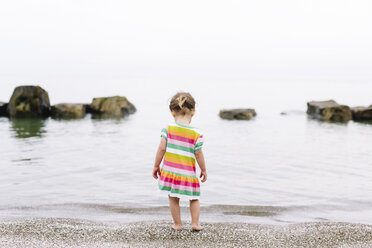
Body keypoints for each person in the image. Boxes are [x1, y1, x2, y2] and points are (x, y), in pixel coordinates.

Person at [152, 92, 207, 231]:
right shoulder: (196, 133)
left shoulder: (168, 129)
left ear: (172, 112)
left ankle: (177, 224)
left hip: (172, 173)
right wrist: (204, 169)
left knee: (173, 198)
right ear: (193, 112)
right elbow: (199, 153)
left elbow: (161, 149)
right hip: (188, 174)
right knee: (194, 198)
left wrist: (156, 165)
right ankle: (195, 224)